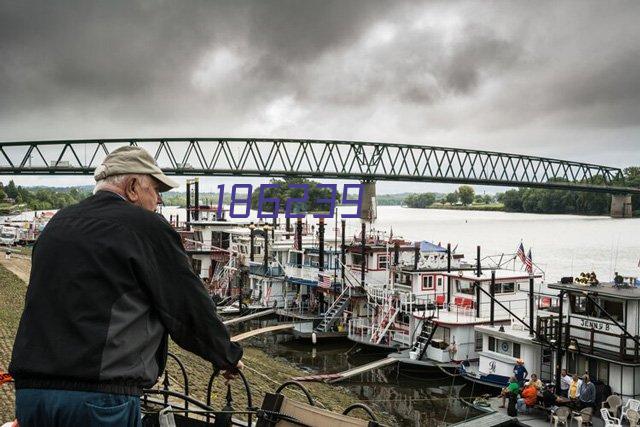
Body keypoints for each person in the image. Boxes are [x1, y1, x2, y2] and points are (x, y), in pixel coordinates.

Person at [9, 146, 244, 426]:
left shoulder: (59, 223)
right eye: (156, 190)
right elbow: (185, 306)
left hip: (32, 394)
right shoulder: (145, 227)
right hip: (98, 399)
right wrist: (226, 356)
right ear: (133, 187)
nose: (158, 200)